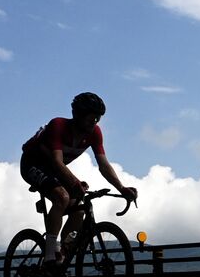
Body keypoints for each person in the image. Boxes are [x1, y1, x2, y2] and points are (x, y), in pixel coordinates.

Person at [20, 92, 138, 264]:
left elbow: (104, 165)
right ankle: (50, 255)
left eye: (98, 119)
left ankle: (63, 254)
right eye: (92, 118)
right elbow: (56, 161)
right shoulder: (58, 125)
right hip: (32, 163)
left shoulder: (95, 133)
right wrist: (74, 182)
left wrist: (122, 188)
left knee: (79, 209)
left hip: (54, 169)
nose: (95, 123)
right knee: (62, 197)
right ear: (78, 115)